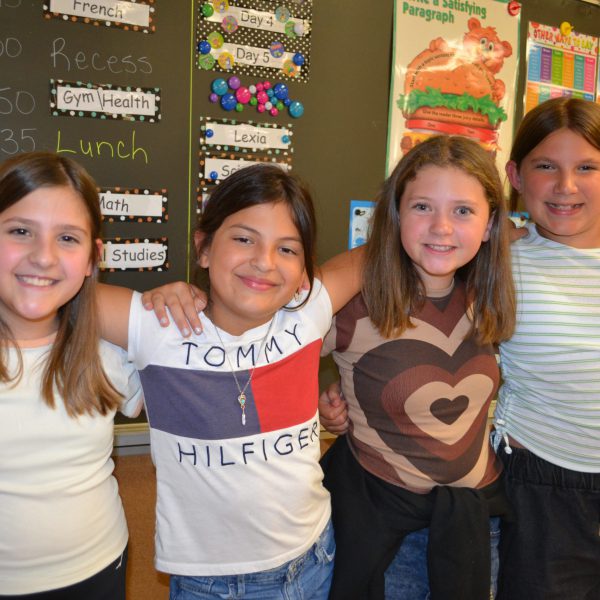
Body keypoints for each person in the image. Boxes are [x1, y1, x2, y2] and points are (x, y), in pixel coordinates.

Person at [99, 163, 362, 600]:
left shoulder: (308, 311)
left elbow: (380, 251)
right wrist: (161, 293)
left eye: (287, 250)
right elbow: (60, 290)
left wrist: (503, 236)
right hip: (210, 584)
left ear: (304, 273)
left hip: (314, 555)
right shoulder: (157, 326)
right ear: (203, 248)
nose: (264, 262)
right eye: (243, 239)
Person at [317, 134, 516, 600]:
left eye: (463, 211)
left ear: (490, 225)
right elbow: (267, 348)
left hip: (475, 524)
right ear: (396, 215)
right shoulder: (352, 300)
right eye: (423, 207)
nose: (442, 227)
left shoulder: (491, 300)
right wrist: (316, 398)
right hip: (388, 533)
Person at [0, 152, 143, 599]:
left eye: (67, 238)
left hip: (96, 570)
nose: (43, 257)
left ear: (91, 258)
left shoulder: (113, 350)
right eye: (20, 231)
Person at [492, 97, 600, 600]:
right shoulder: (500, 262)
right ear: (515, 175)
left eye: (587, 167)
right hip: (543, 489)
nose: (566, 186)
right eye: (546, 167)